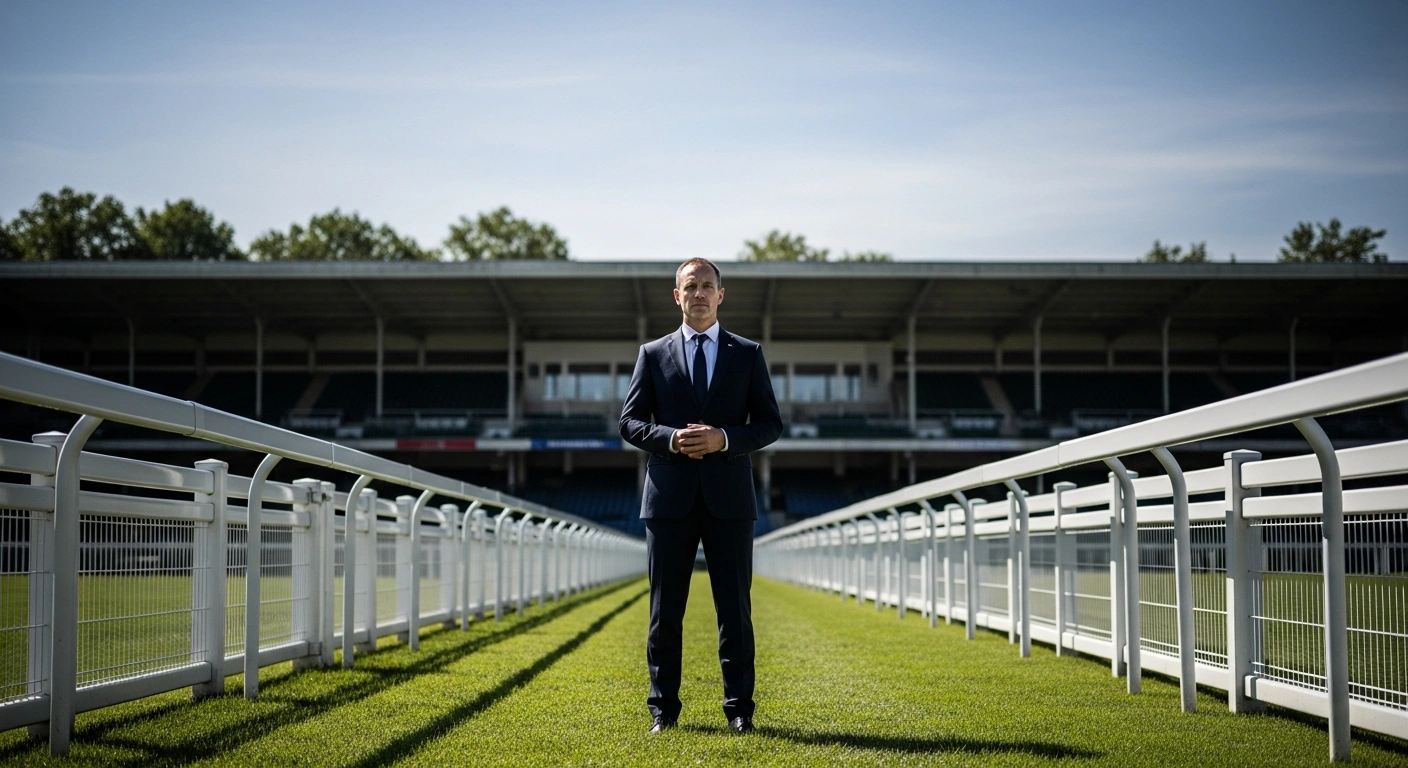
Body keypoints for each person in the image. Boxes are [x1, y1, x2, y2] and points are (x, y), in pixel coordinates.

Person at [619, 257, 783, 735]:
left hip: (730, 500)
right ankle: (662, 712)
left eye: (707, 286)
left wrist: (724, 439)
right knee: (664, 613)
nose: (699, 294)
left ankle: (739, 712)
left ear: (721, 294)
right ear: (677, 296)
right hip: (668, 500)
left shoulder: (747, 353)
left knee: (734, 612)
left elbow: (770, 423)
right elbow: (629, 422)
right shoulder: (652, 353)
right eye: (690, 286)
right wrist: (672, 439)